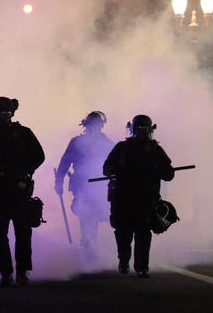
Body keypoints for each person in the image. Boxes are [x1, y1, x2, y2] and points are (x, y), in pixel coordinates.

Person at [0, 97, 45, 286]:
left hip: (18, 189)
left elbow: (38, 156)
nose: (1, 115)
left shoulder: (23, 133)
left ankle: (21, 272)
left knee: (22, 233)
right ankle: (6, 273)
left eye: (5, 112)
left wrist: (24, 171)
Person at [103, 114, 174, 278]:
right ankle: (125, 261)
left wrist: (158, 168)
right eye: (139, 128)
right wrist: (115, 172)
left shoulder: (155, 150)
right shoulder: (122, 148)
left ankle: (141, 266)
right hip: (123, 198)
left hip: (145, 200)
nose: (141, 132)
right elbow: (107, 168)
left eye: (144, 129)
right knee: (124, 233)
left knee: (141, 233)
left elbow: (169, 174)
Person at [55, 111, 114, 258]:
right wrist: (59, 181)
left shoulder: (107, 143)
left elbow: (115, 163)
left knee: (100, 214)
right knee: (86, 215)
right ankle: (89, 245)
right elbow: (65, 162)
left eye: (96, 125)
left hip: (101, 186)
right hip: (82, 186)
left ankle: (92, 244)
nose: (94, 128)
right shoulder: (76, 142)